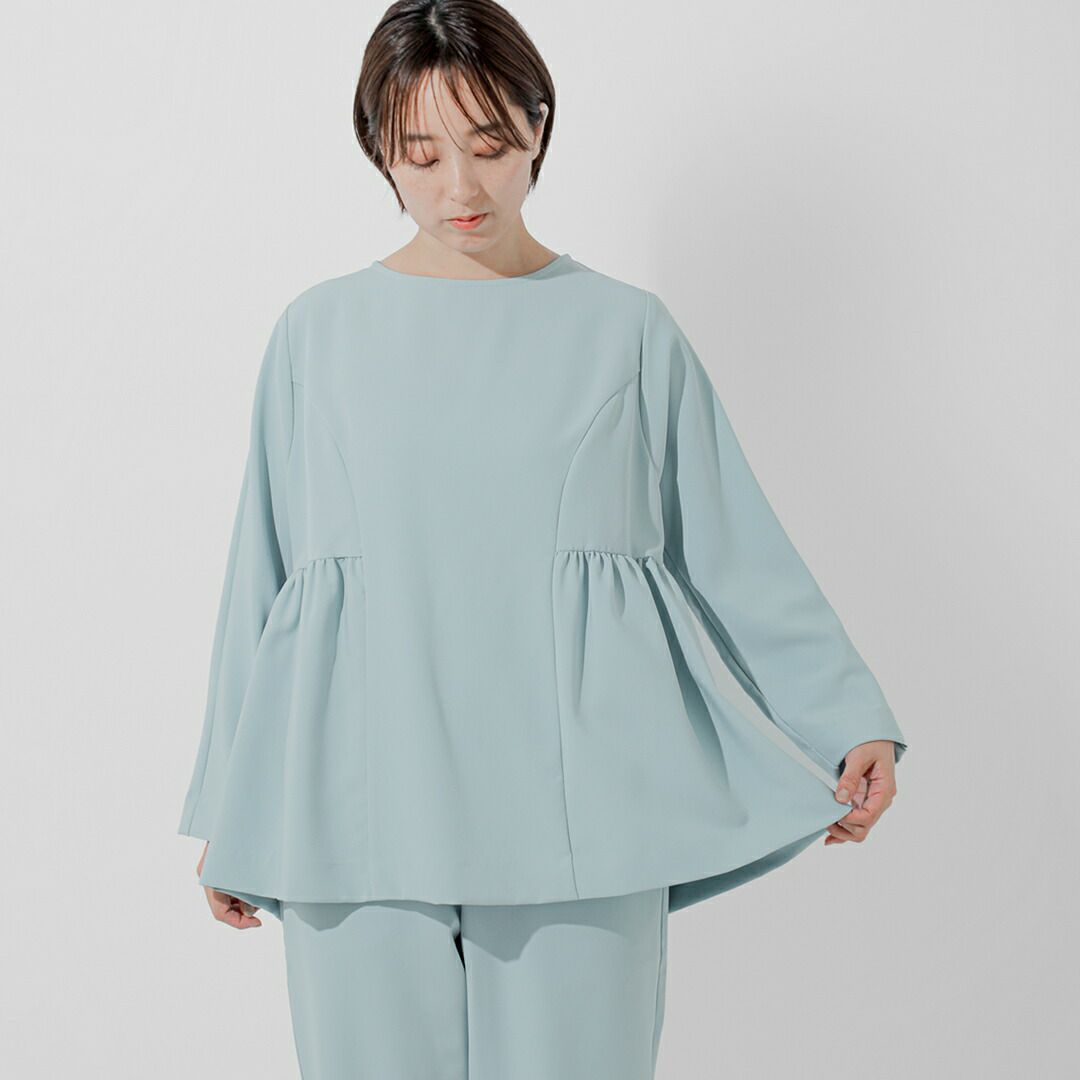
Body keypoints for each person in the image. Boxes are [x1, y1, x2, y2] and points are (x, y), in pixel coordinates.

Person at [177, 1, 908, 1076]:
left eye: (488, 144)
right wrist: (231, 805)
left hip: (585, 812)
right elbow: (267, 577)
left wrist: (846, 718)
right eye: (420, 154)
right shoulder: (315, 336)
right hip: (353, 806)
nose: (460, 188)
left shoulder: (627, 331)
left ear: (537, 124)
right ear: (378, 149)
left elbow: (728, 547)